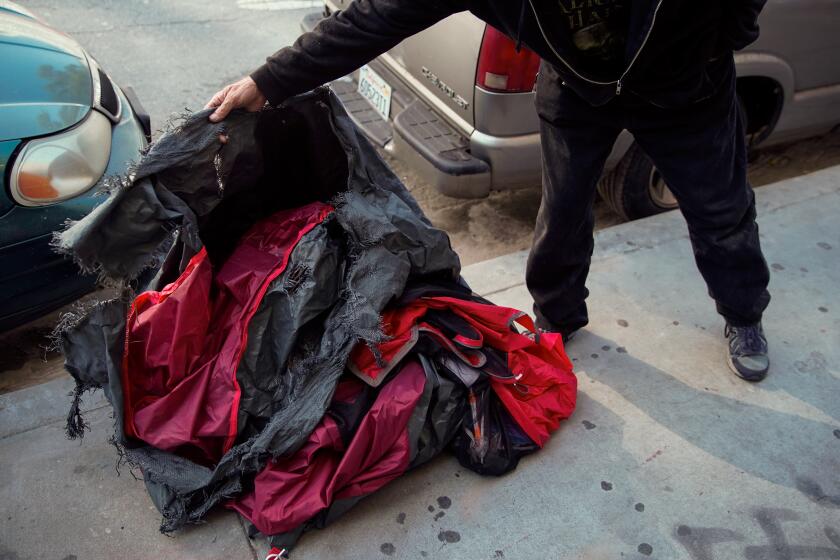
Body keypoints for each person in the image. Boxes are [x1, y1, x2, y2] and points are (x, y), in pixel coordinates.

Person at [206, 0, 771, 381]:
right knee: (565, 209)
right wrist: (269, 80)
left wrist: (725, 36)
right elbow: (375, 18)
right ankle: (557, 318)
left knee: (720, 211)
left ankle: (744, 313)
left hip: (685, 89)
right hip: (580, 90)